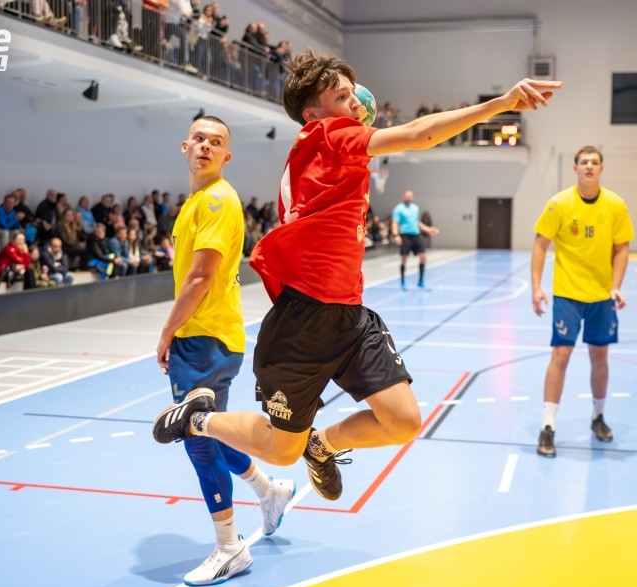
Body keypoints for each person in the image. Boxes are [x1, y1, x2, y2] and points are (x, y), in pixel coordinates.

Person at [152, 49, 561, 501]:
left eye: (353, 94)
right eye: (342, 95)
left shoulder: (329, 147)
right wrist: (501, 104)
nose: (353, 101)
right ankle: (197, 418)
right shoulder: (329, 134)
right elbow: (420, 135)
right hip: (301, 322)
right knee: (280, 451)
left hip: (348, 313)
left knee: (403, 421)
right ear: (313, 114)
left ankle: (322, 445)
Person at [154, 116, 294, 586]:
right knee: (209, 434)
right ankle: (269, 491)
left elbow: (200, 277)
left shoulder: (216, 199)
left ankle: (230, 548)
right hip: (207, 336)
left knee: (197, 440)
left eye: (216, 142)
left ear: (226, 156)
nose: (206, 146)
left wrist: (167, 331)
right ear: (184, 146)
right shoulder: (195, 201)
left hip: (205, 337)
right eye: (199, 139)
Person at [531, 146, 634, 458]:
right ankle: (548, 425)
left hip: (601, 296)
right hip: (568, 292)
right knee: (561, 355)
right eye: (584, 162)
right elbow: (540, 244)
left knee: (599, 356)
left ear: (601, 168)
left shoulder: (615, 205)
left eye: (595, 162)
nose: (589, 166)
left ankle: (598, 416)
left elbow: (622, 248)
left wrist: (616, 287)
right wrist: (536, 287)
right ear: (575, 167)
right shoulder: (559, 203)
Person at [390, 189, 440, 290]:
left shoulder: (415, 208)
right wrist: (395, 235)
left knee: (423, 257)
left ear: (412, 197)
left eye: (410, 196)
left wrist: (429, 229)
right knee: (404, 259)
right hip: (405, 235)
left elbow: (418, 223)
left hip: (416, 235)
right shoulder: (398, 209)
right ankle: (403, 283)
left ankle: (421, 282)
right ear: (403, 197)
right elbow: (395, 223)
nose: (408, 197)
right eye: (407, 196)